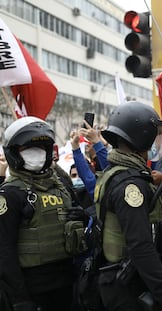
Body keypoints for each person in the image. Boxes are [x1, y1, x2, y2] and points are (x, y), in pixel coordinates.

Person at [94, 101, 162, 311]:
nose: (157, 142)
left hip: (124, 275)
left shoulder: (122, 173)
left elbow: (155, 199)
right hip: (127, 282)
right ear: (142, 136)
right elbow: (140, 246)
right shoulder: (130, 186)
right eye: (155, 136)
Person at [0, 116, 75, 310]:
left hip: (68, 286)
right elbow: (4, 251)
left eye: (42, 148)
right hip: (32, 291)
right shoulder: (10, 194)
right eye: (28, 149)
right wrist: (20, 299)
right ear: (14, 153)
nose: (37, 154)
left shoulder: (60, 186)